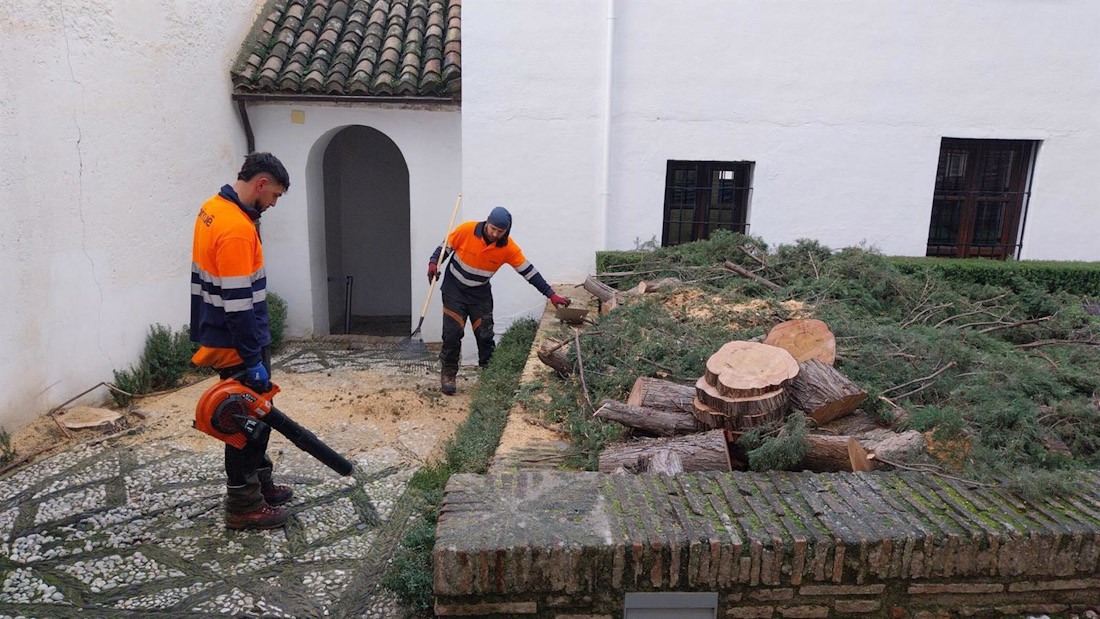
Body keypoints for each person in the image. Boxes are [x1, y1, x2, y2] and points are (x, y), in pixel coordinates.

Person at [190, 152, 293, 530]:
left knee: (258, 418)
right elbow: (237, 305)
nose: (273, 204)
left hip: (220, 333)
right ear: (261, 183)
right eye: (275, 195)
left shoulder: (210, 208)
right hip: (237, 341)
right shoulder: (235, 227)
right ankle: (243, 504)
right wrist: (253, 359)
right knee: (244, 425)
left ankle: (261, 483)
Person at [427, 206, 570, 394]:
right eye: (492, 228)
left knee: (485, 337)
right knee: (452, 335)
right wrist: (433, 263)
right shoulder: (466, 230)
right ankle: (448, 375)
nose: (494, 233)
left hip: (480, 295)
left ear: (506, 231)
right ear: (487, 222)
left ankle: (488, 379)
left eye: (499, 231)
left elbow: (528, 272)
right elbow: (445, 248)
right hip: (454, 291)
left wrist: (551, 294)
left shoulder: (509, 248)